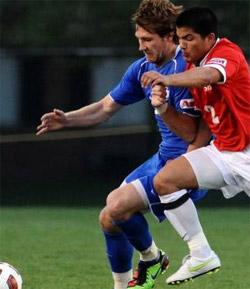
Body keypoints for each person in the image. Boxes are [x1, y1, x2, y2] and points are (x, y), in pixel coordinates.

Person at [36, 2, 210, 289]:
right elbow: (105, 108)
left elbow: (204, 127)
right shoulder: (141, 69)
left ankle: (154, 260)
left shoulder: (191, 70)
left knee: (116, 205)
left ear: (169, 37)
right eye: (138, 39)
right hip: (162, 158)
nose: (141, 46)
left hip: (187, 167)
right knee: (108, 218)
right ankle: (136, 273)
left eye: (147, 40)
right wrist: (67, 119)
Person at [141, 6, 250, 285]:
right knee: (165, 180)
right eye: (180, 38)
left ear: (210, 37)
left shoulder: (227, 54)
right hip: (225, 152)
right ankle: (201, 255)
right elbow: (197, 128)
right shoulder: (192, 67)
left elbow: (209, 76)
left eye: (189, 38)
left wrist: (166, 78)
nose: (183, 45)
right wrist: (163, 107)